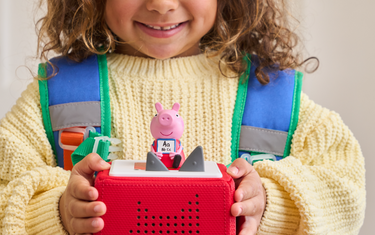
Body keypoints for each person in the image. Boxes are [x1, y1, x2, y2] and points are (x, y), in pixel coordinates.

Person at [0, 0, 366, 234]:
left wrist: (271, 203)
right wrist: (57, 213)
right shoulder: (54, 96)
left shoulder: (271, 94)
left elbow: (347, 191)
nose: (161, 5)